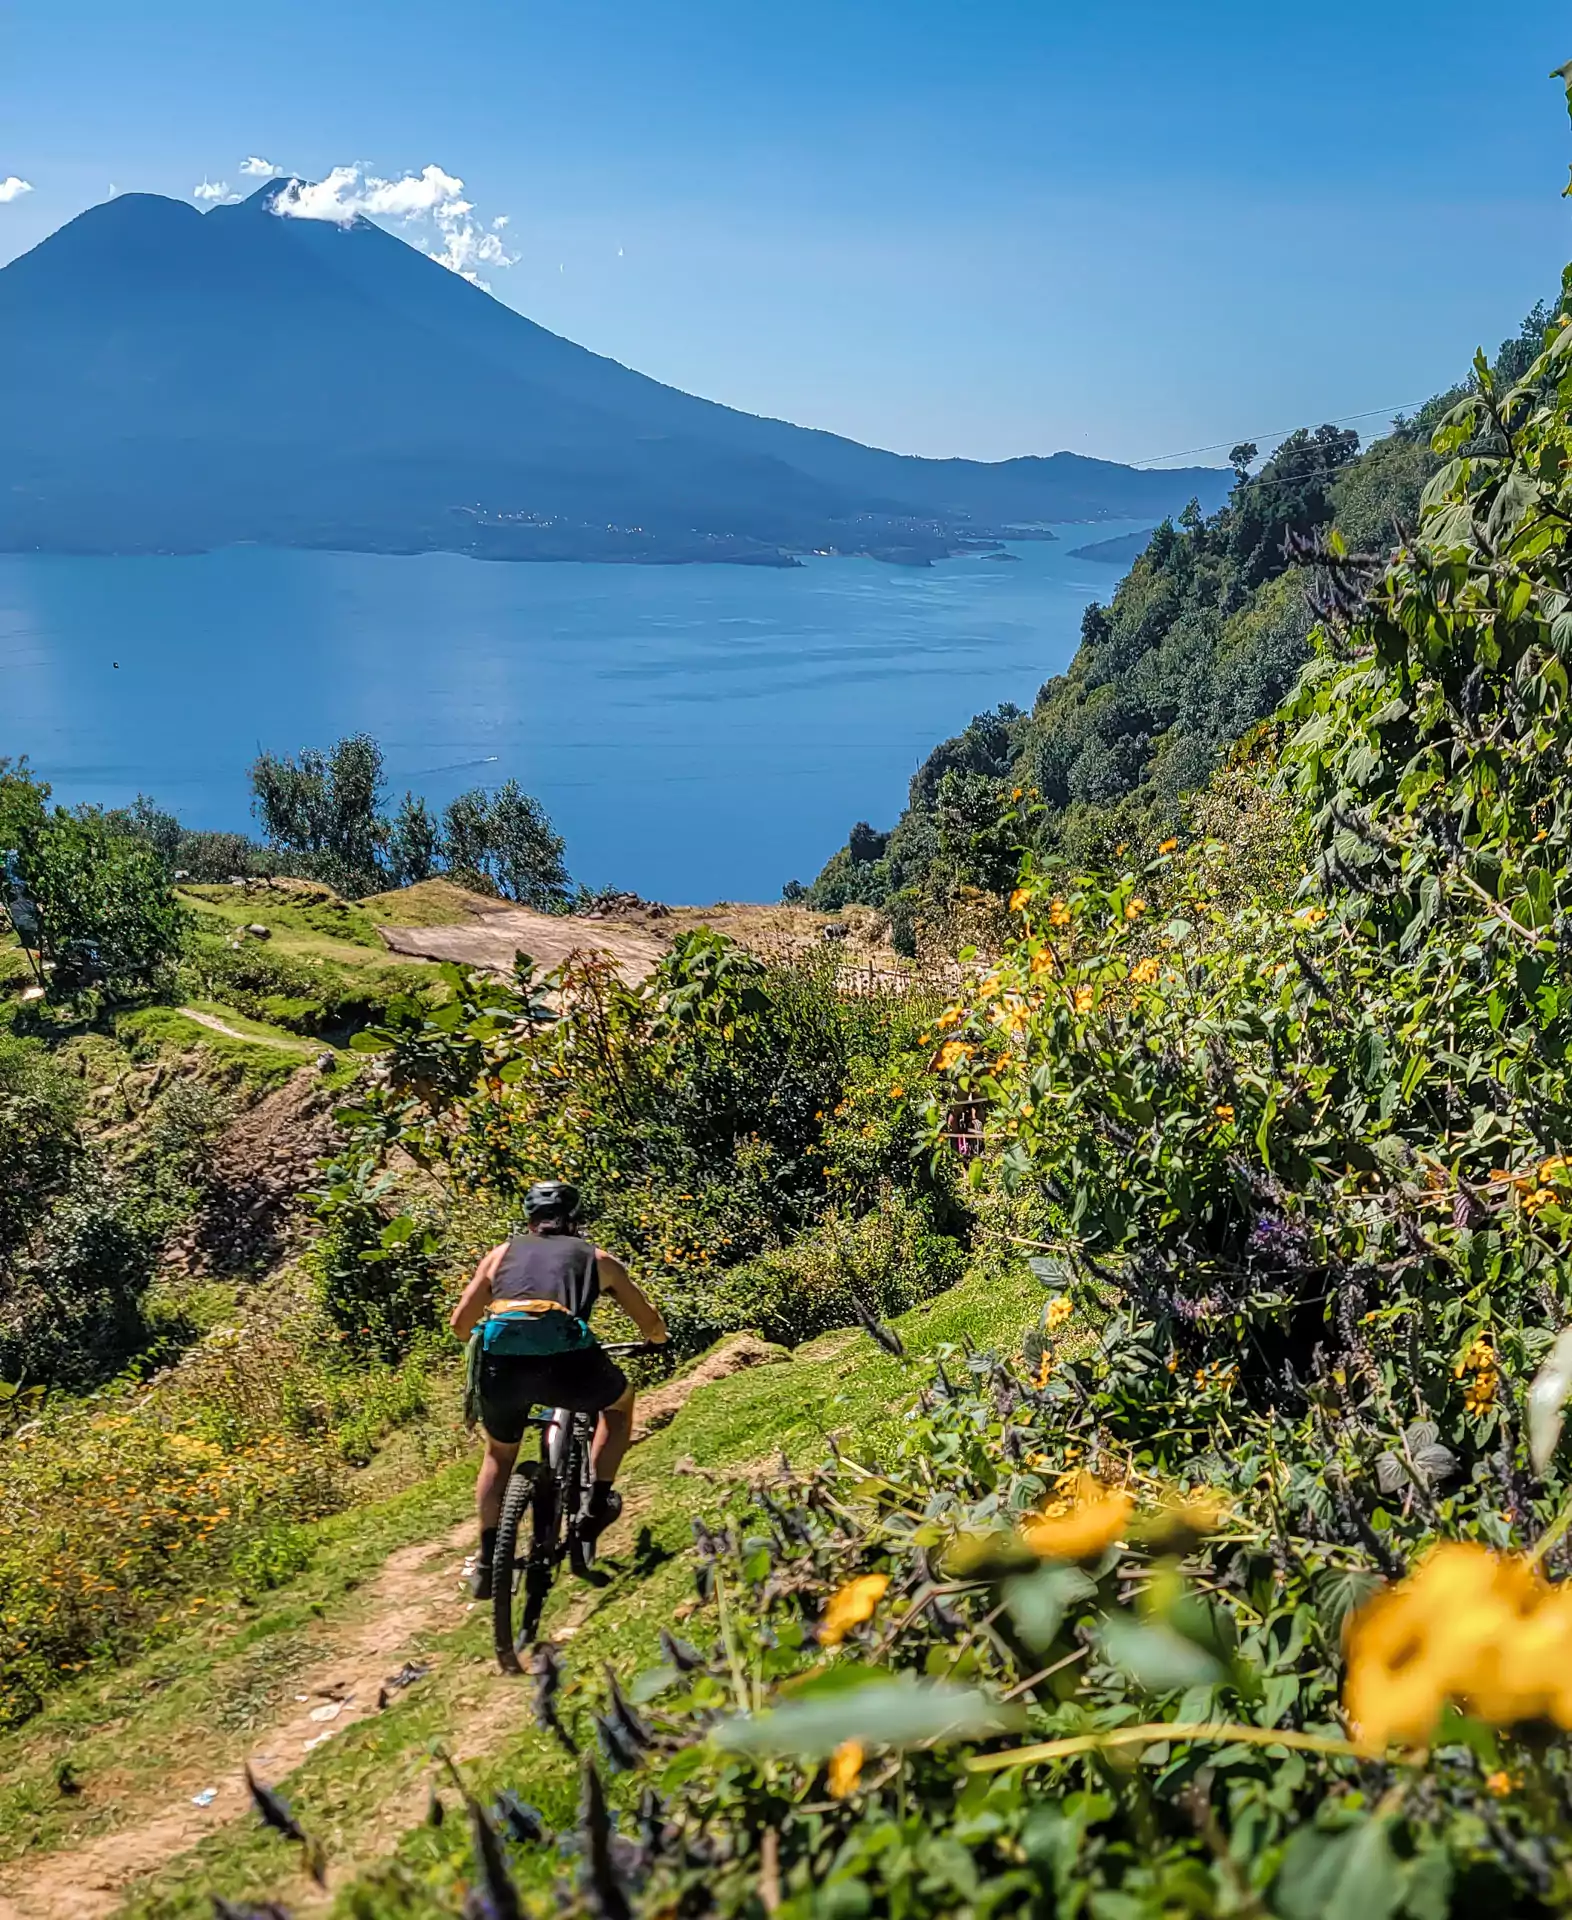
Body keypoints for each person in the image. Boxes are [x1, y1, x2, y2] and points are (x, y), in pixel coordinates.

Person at [450, 1179, 668, 1599]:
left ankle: (487, 1560)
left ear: (529, 1220)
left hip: (502, 1366)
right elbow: (648, 1320)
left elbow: (461, 1325)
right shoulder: (597, 1259)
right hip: (569, 1365)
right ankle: (595, 1506)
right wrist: (656, 1339)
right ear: (575, 1219)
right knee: (619, 1406)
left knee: (499, 1454)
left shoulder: (499, 1256)